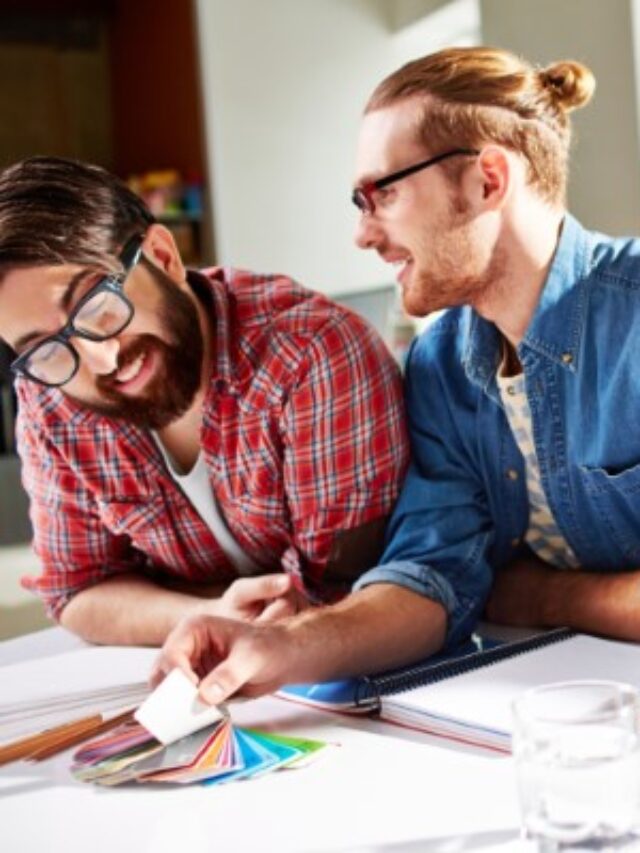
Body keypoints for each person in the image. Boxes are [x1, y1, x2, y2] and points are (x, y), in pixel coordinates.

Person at [153, 44, 640, 705]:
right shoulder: (442, 364)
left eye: (381, 192)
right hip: (570, 711)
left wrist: (545, 593)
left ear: (487, 181)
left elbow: (506, 590)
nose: (363, 232)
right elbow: (430, 576)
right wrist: (284, 648)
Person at [0, 156, 408, 646]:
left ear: (163, 256)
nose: (102, 359)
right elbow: (77, 591)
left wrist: (155, 596)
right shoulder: (49, 395)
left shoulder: (310, 352)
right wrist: (210, 612)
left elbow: (339, 591)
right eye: (46, 347)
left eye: (97, 305)